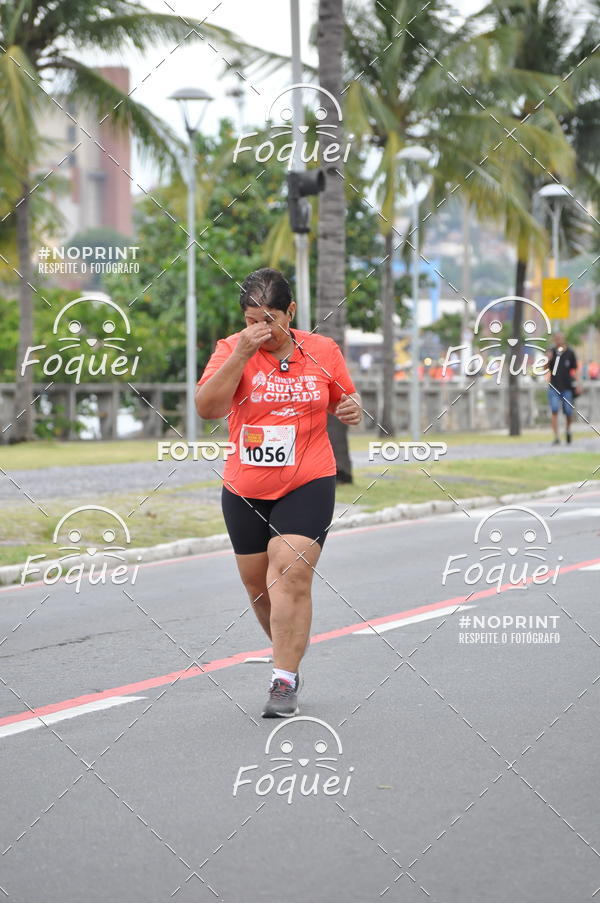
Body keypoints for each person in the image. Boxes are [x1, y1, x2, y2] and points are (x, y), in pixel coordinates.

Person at [195, 268, 361, 717]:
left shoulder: (323, 350)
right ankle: (290, 651)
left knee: (289, 573)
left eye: (270, 319)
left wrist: (350, 409)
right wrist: (240, 355)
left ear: (291, 311)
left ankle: (283, 678)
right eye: (252, 320)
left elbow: (346, 400)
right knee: (258, 586)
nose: (261, 330)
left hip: (308, 478)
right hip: (246, 486)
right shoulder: (231, 349)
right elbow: (208, 407)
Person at [544, 332, 577, 445]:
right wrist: (547, 359)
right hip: (554, 387)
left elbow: (575, 369)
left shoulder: (570, 352)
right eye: (556, 339)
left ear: (563, 339)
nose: (558, 341)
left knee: (568, 411)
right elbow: (545, 368)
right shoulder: (551, 352)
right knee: (554, 410)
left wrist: (578, 384)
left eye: (560, 338)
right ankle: (556, 436)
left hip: (567, 387)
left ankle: (568, 430)